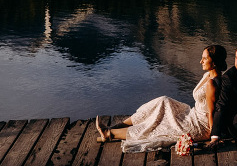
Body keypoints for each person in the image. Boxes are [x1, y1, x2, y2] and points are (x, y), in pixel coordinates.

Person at [95, 45, 227, 153]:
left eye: (204, 58)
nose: (200, 61)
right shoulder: (207, 75)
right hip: (191, 113)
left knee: (158, 127)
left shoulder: (212, 84)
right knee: (163, 101)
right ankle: (119, 125)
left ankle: (109, 133)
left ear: (214, 62)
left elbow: (212, 112)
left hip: (198, 125)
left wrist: (214, 137)